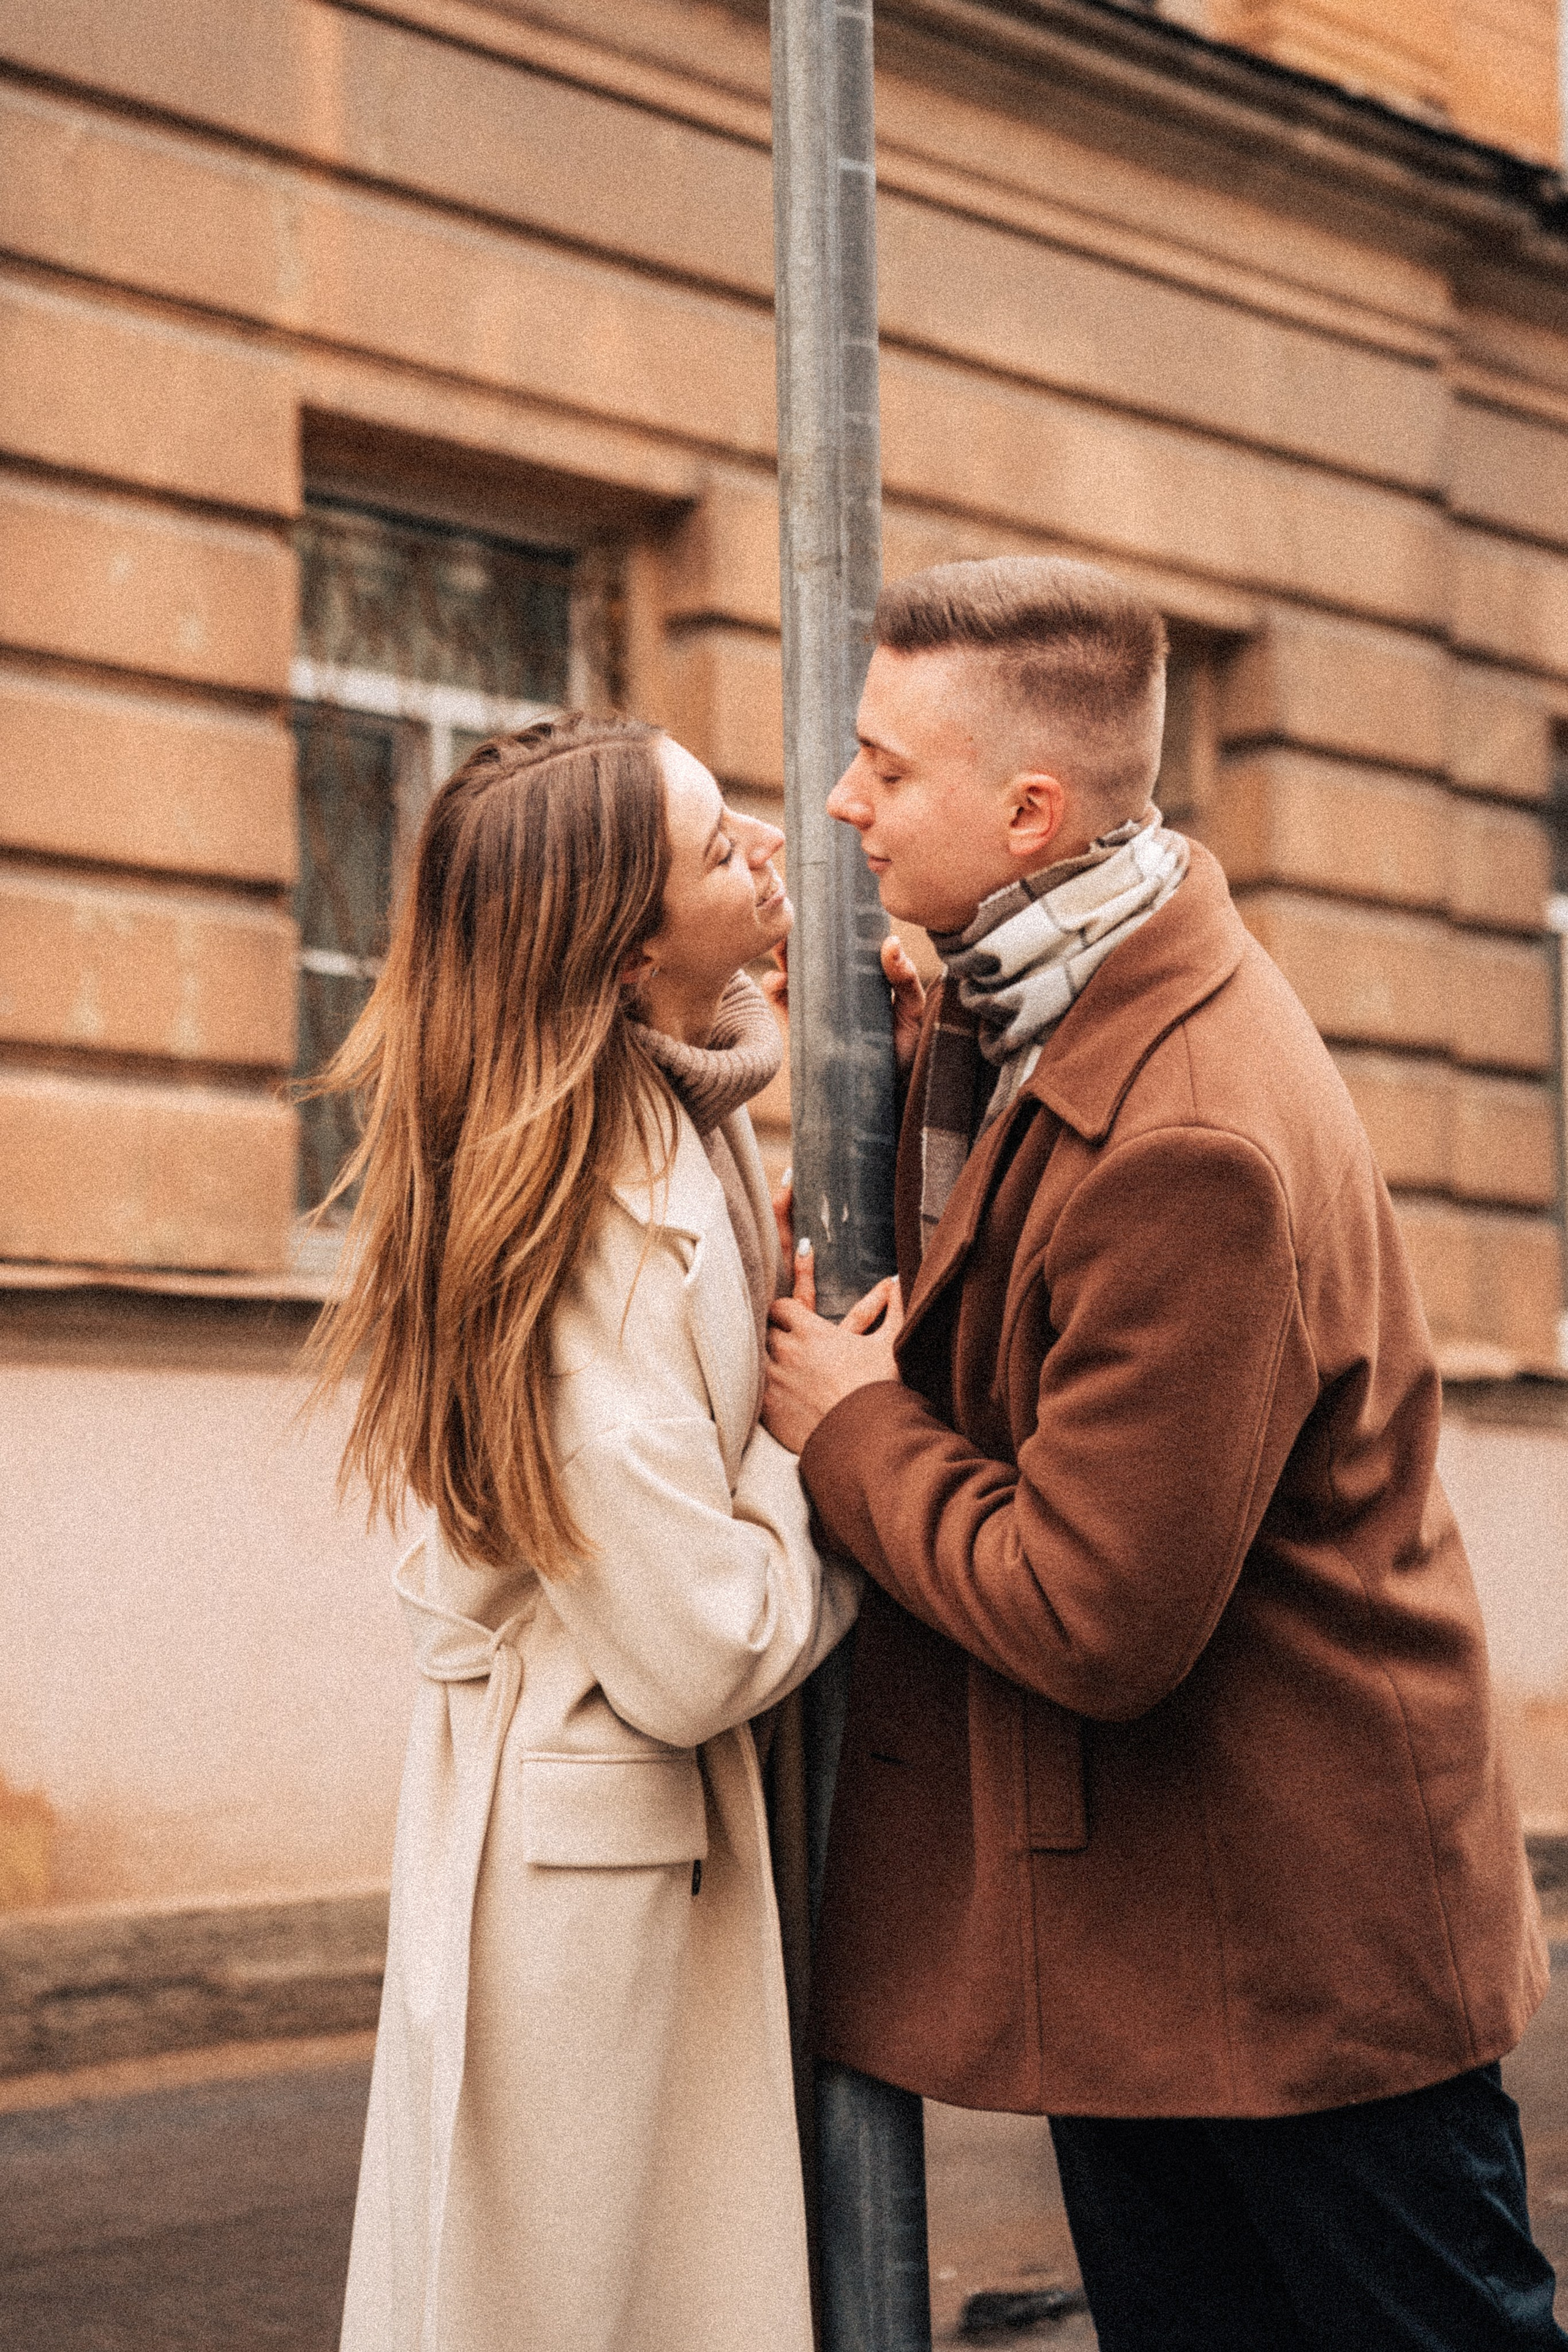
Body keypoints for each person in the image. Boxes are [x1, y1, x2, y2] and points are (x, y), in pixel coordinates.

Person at [763, 556, 1562, 2349]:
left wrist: (852, 1429)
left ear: (1029, 810)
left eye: (889, 769)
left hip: (1301, 1955)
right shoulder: (1053, 991)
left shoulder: (1194, 1140)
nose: (842, 805)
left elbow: (1092, 1611)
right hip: (1177, 1939)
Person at [311, 712, 859, 2352]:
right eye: (716, 849)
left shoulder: (671, 1106)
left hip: (620, 1843)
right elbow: (706, 1652)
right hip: (585, 1882)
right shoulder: (575, 1243)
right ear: (624, 956)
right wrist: (819, 1434)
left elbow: (730, 1041)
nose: (769, 850)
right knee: (578, 2308)